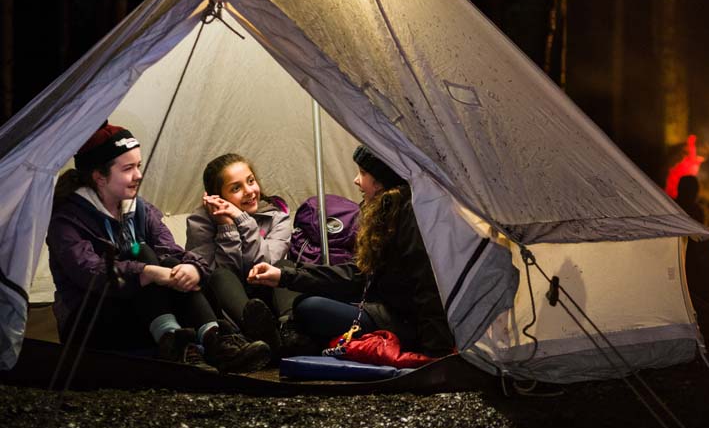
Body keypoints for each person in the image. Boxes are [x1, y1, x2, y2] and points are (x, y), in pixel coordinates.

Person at [47, 122, 271, 373]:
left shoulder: (139, 209)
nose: (138, 175)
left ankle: (212, 338)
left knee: (168, 263)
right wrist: (148, 272)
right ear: (100, 177)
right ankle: (177, 342)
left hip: (144, 316)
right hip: (92, 321)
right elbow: (90, 272)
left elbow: (172, 252)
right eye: (128, 168)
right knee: (143, 257)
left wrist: (192, 269)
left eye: (139, 166)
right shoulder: (67, 219)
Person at [248, 145, 455, 357]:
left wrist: (436, 352)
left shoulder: (409, 215)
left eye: (363, 173)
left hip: (407, 324)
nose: (357, 180)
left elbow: (427, 284)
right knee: (295, 284)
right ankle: (291, 338)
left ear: (382, 180)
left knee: (308, 307)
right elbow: (357, 273)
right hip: (381, 307)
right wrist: (284, 276)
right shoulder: (385, 212)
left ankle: (284, 338)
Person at [185, 153, 296, 353]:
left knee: (285, 268)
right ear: (216, 196)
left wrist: (243, 220)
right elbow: (215, 275)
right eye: (236, 188)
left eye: (251, 181)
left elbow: (263, 265)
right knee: (221, 276)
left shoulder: (277, 219)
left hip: (269, 300)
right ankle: (255, 334)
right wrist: (226, 227)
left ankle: (290, 332)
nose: (249, 191)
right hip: (229, 309)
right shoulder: (200, 222)